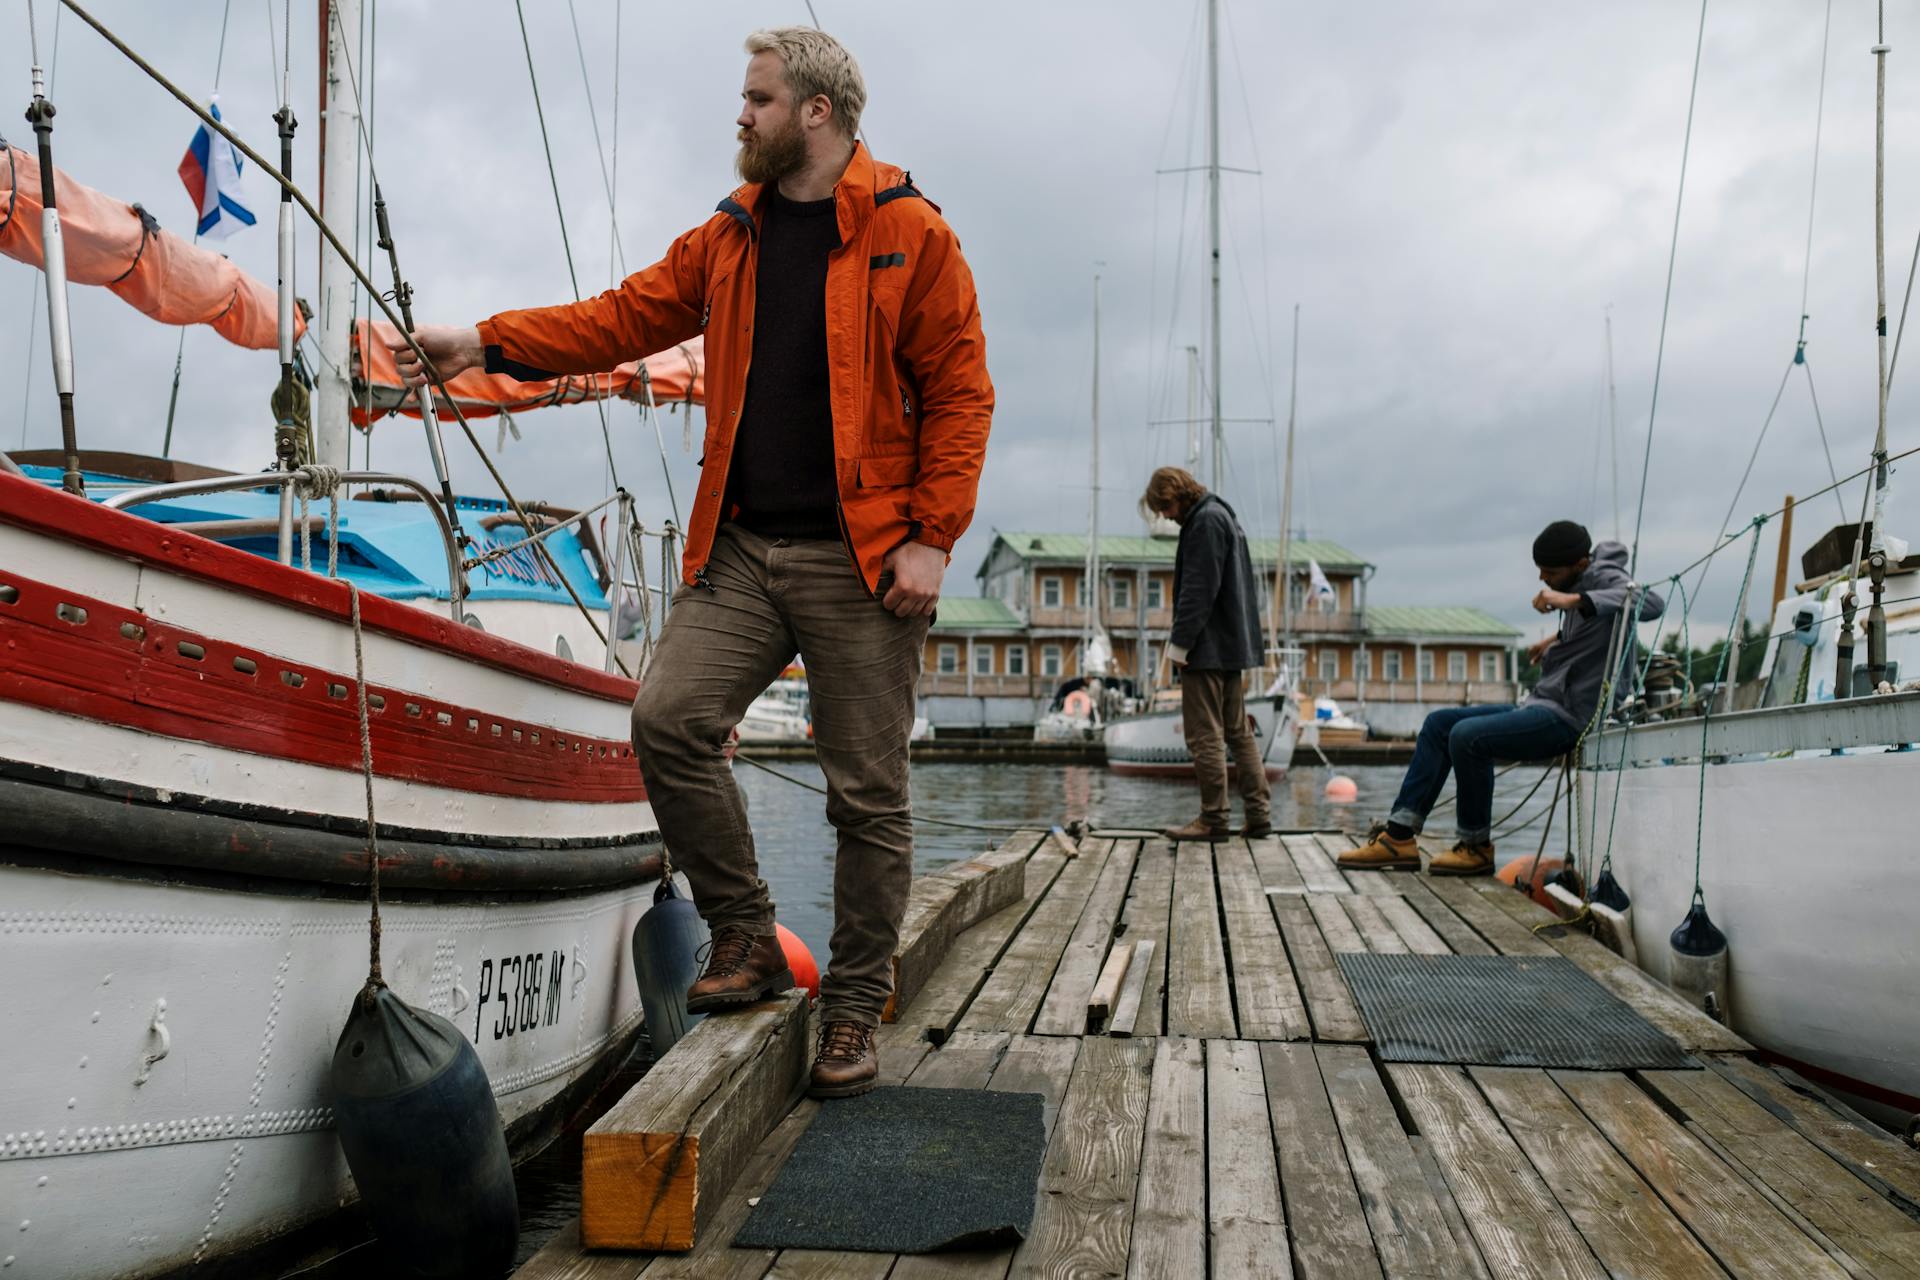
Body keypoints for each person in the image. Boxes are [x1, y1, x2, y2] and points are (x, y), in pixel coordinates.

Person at [390, 28, 992, 1098]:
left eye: (757, 99)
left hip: (864, 559)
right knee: (667, 719)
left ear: (816, 111)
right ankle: (748, 933)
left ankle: (853, 1008)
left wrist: (933, 537)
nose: (741, 116)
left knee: (866, 794)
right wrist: (483, 341)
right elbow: (617, 319)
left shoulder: (909, 233)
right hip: (745, 548)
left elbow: (960, 393)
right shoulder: (731, 236)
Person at [1339, 520, 1664, 875]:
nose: (1543, 579)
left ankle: (1475, 847)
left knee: (1468, 737)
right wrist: (1555, 642)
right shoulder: (1583, 581)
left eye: (1550, 572)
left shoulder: (1605, 579)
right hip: (1543, 702)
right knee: (1438, 725)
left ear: (1580, 565)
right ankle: (1399, 838)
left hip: (1573, 716)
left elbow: (1653, 604)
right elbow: (1592, 633)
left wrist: (1572, 599)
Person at [1141, 467, 1274, 841]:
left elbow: (1198, 591)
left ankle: (1214, 819)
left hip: (1207, 648)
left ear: (1174, 497)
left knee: (1205, 736)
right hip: (1232, 646)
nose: (1165, 516)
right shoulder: (1223, 515)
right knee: (1238, 733)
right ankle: (1259, 816)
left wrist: (1180, 645)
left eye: (1164, 508)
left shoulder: (1203, 523)